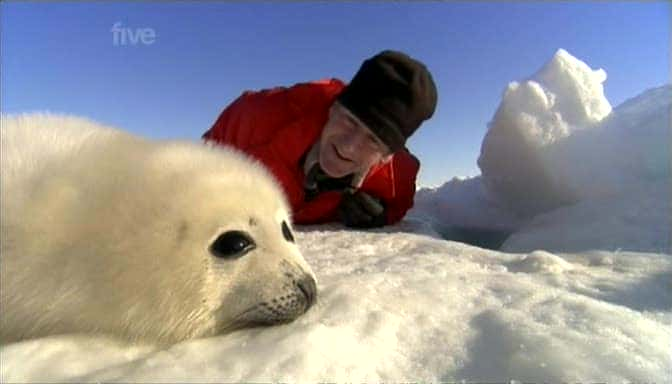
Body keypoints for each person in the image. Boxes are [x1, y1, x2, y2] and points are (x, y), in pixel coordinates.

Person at [202, 50, 437, 228]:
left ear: (386, 157)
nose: (349, 146)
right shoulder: (252, 119)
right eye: (350, 121)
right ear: (333, 109)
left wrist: (382, 215)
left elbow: (400, 203)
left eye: (373, 140)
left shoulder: (396, 178)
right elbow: (194, 169)